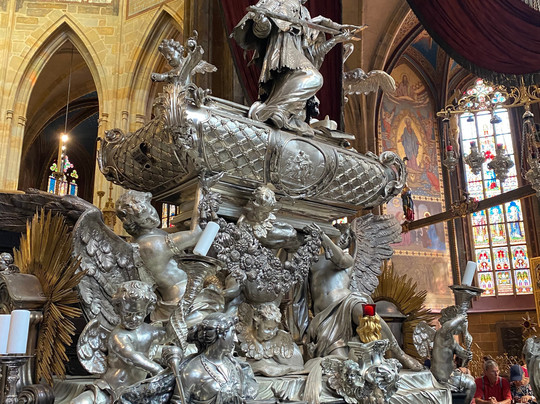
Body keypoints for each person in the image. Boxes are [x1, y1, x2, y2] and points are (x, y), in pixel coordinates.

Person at [305, 223, 422, 370]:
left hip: (348, 302)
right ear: (332, 234)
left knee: (368, 311)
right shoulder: (312, 261)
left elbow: (340, 259)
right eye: (342, 234)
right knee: (339, 364)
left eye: (348, 237)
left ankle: (399, 353)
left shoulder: (347, 258)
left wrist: (322, 237)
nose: (344, 239)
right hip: (324, 318)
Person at [232, 0, 354, 135]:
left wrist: (335, 40)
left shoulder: (305, 12)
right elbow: (262, 32)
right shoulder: (279, 1)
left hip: (298, 58)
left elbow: (312, 54)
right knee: (315, 78)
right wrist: (261, 20)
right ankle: (275, 110)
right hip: (283, 54)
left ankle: (278, 112)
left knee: (306, 98)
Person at [71, 281, 174, 404]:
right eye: (128, 314)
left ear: (147, 310)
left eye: (139, 314)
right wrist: (156, 368)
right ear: (118, 310)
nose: (133, 319)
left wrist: (184, 307)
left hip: (136, 393)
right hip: (110, 389)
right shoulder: (118, 335)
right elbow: (131, 356)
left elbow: (170, 334)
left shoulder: (150, 331)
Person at [116, 190, 202, 321]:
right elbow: (196, 234)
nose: (153, 218)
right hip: (186, 299)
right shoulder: (152, 244)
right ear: (134, 223)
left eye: (150, 210)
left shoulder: (145, 237)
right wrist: (200, 191)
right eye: (145, 219)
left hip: (175, 297)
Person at [180, 313, 258, 403]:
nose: (236, 339)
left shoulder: (234, 365)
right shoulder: (192, 371)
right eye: (232, 332)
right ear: (219, 335)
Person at [430, 305, 476, 404]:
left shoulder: (451, 339)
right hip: (442, 377)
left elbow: (461, 353)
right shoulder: (441, 334)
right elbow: (447, 327)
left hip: (450, 375)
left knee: (471, 379)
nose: (460, 328)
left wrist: (467, 355)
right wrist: (461, 317)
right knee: (471, 384)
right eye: (459, 325)